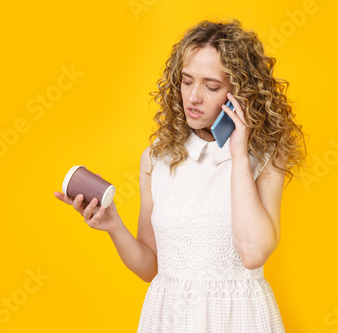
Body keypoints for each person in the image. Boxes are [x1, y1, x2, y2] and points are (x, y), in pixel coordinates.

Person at [55, 18, 307, 333]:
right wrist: (113, 226)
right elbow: (150, 267)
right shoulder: (157, 159)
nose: (193, 97)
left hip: (238, 319)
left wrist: (239, 154)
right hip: (169, 318)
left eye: (211, 86)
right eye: (187, 81)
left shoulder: (265, 158)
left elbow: (253, 253)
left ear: (240, 92)